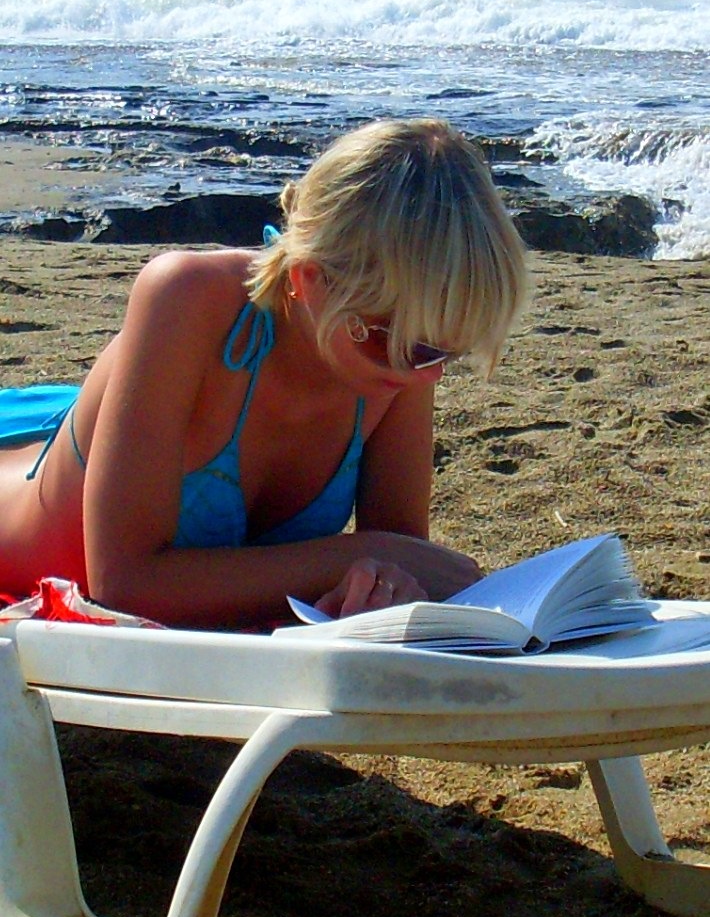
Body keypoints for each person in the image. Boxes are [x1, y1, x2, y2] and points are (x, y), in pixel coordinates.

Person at [0, 119, 526, 628]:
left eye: (446, 352)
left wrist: (380, 587)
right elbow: (123, 583)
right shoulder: (189, 297)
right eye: (407, 345)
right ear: (309, 280)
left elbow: (400, 561)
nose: (428, 374)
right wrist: (357, 556)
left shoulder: (395, 357)